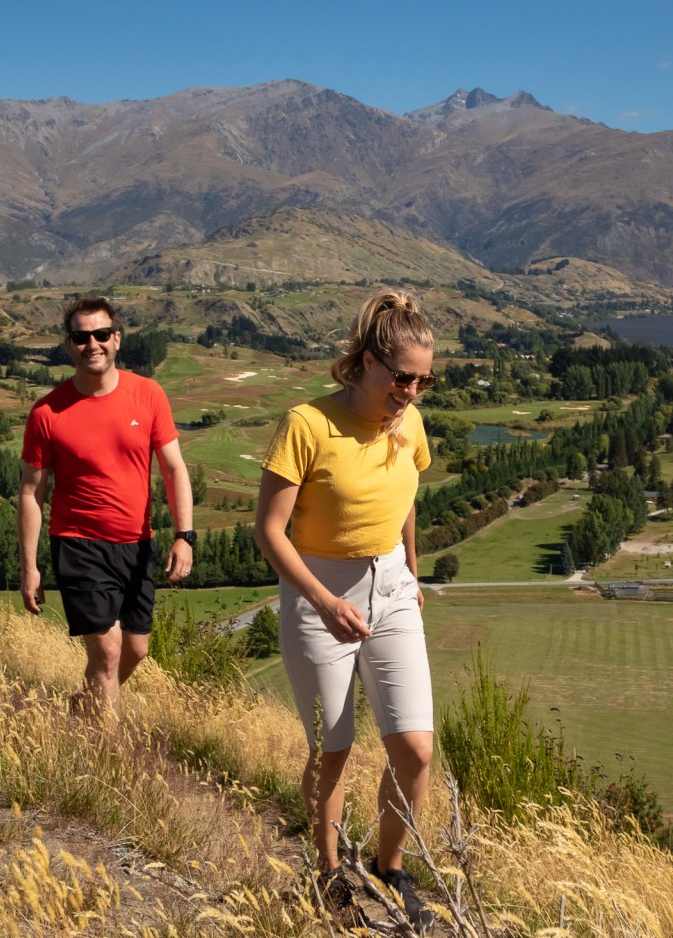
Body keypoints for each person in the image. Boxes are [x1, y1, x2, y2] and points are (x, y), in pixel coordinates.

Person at [254, 288, 437, 929]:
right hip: (318, 591)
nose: (411, 392)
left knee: (414, 747)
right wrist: (324, 599)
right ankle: (329, 876)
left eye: (423, 381)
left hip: (390, 587)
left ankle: (389, 868)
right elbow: (269, 531)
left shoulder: (408, 423)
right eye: (401, 378)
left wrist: (409, 570)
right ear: (365, 361)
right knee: (334, 747)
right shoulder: (306, 424)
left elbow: (408, 492)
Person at [19, 296, 194, 717]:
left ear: (116, 339)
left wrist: (185, 536)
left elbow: (174, 469)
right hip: (78, 543)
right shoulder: (46, 412)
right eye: (81, 337)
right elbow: (31, 493)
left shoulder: (147, 394)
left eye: (100, 335)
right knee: (108, 653)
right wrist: (29, 566)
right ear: (69, 345)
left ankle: (85, 704)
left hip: (137, 543)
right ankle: (108, 764)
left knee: (136, 649)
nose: (92, 344)